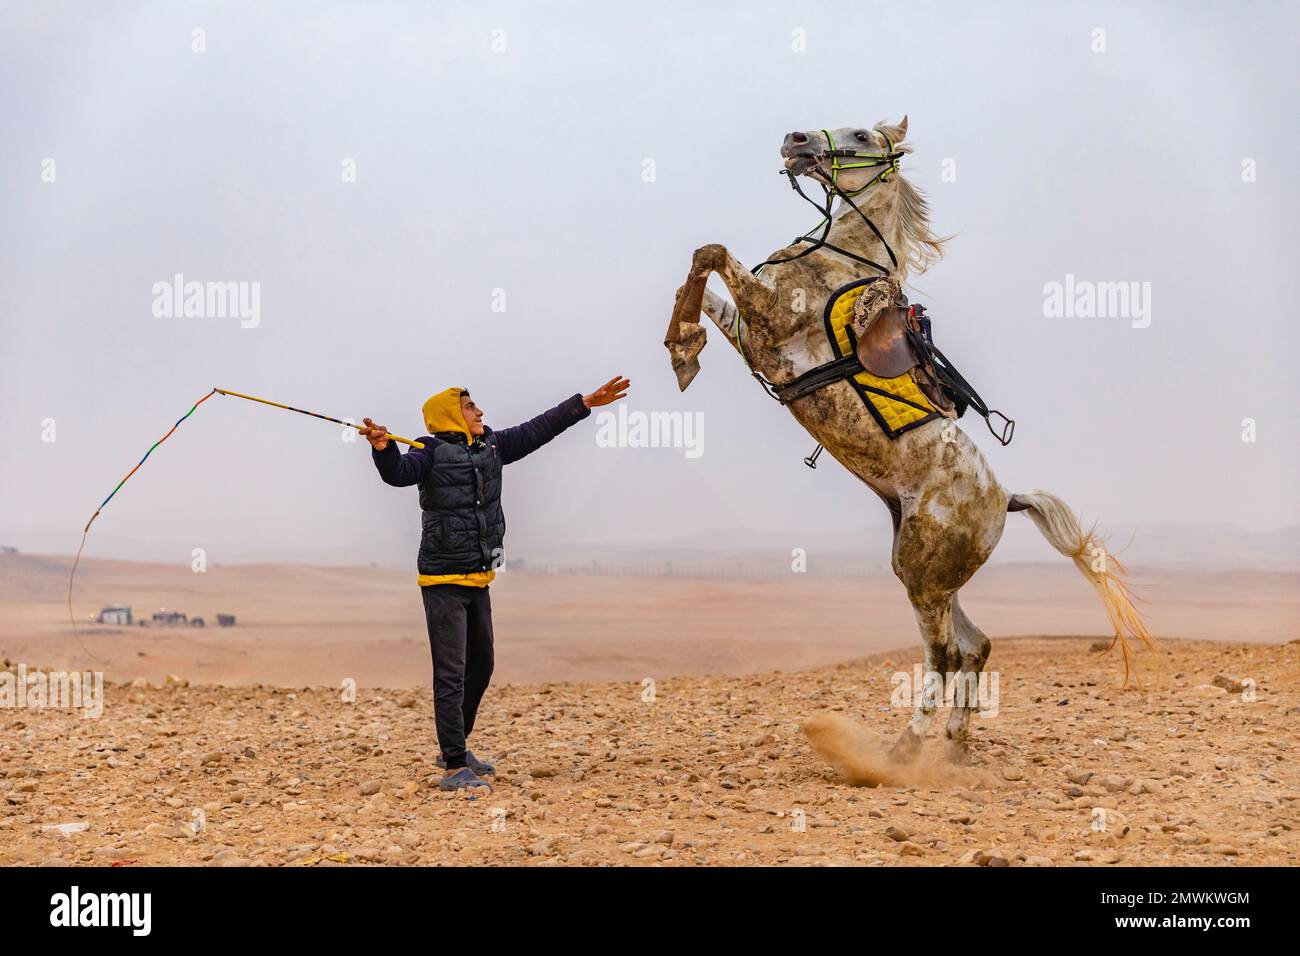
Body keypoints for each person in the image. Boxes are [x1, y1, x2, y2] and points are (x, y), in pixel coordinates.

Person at [361, 377, 630, 791]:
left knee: (482, 665)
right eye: (471, 407)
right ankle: (453, 765)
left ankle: (456, 743)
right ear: (452, 415)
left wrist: (585, 403)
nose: (480, 412)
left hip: (478, 576)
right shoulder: (427, 452)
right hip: (441, 579)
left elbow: (538, 428)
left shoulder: (491, 448)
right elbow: (398, 474)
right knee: (450, 673)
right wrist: (383, 448)